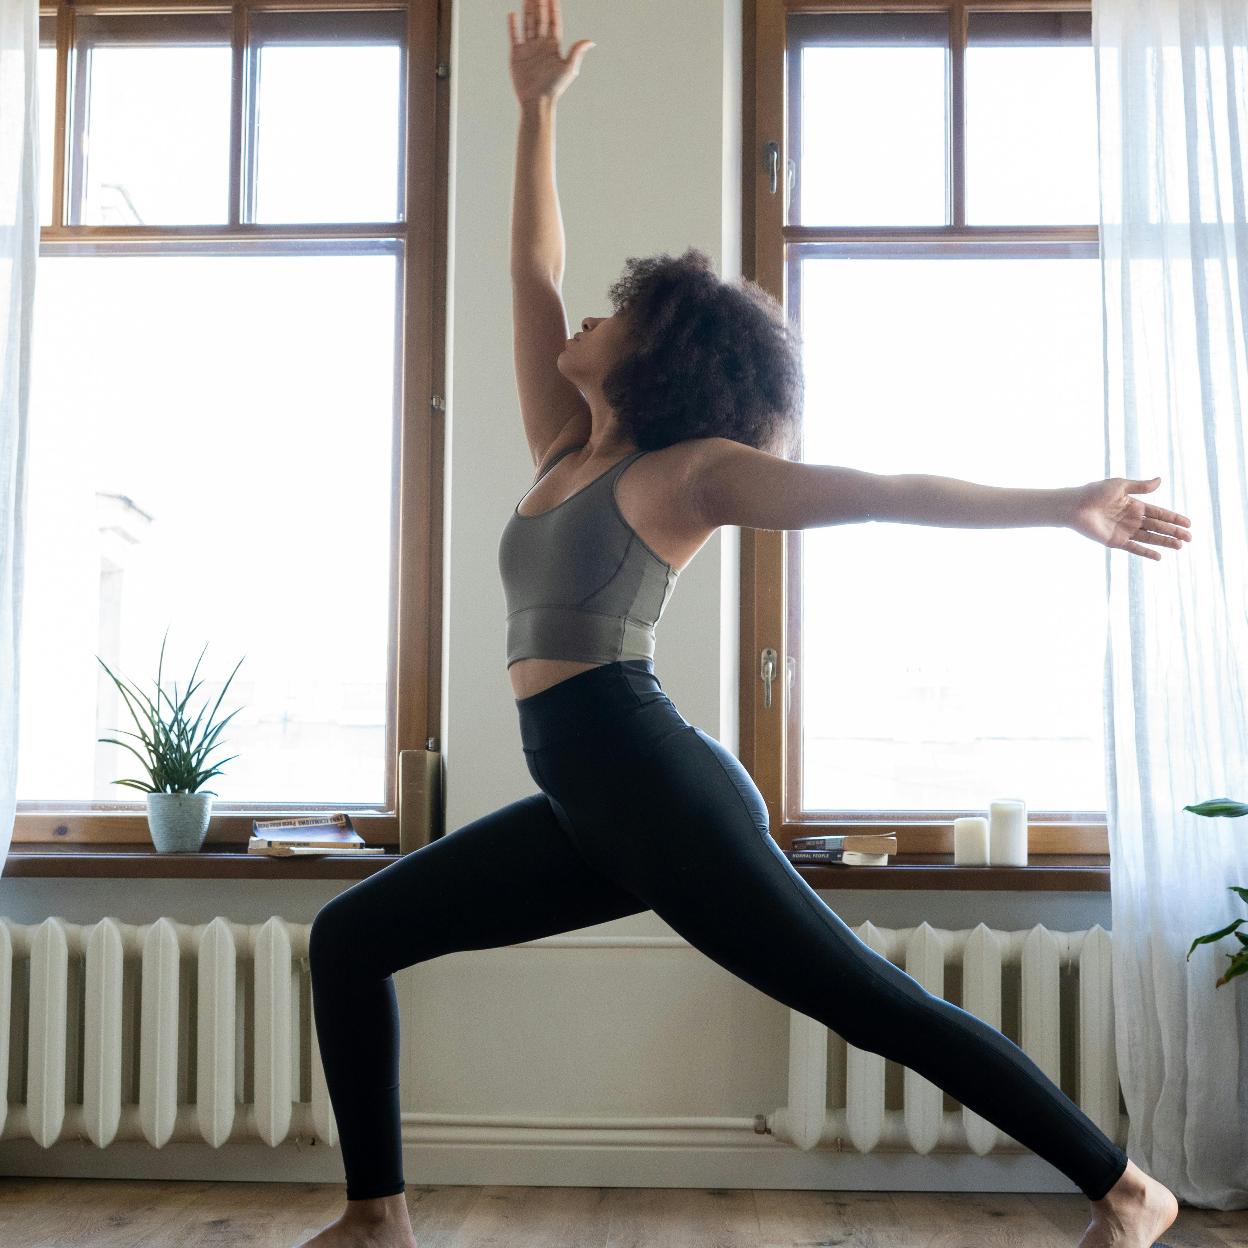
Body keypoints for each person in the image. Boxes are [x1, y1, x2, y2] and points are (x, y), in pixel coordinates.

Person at [295, 3, 1192, 1245]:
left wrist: (1061, 505)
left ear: (659, 357)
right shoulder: (566, 444)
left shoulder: (691, 473)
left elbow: (879, 494)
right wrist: (537, 110)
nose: (586, 320)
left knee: (870, 1003)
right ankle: (378, 1217)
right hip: (588, 798)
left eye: (617, 313)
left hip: (654, 786)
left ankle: (1128, 1189)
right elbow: (530, 274)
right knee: (352, 936)